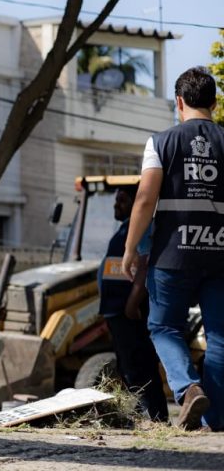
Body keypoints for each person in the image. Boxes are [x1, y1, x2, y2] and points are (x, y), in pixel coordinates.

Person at [123, 67, 224, 431]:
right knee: (220, 337)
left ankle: (188, 387)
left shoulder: (160, 143)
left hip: (173, 254)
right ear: (214, 103)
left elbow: (145, 198)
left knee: (164, 327)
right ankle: (216, 419)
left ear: (178, 102)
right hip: (219, 256)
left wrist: (131, 249)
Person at [97, 185, 168, 422]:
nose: (116, 204)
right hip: (116, 310)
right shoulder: (124, 229)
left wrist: (132, 301)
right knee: (128, 369)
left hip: (129, 310)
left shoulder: (142, 226)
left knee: (140, 367)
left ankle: (155, 418)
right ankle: (141, 417)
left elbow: (144, 264)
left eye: (123, 200)